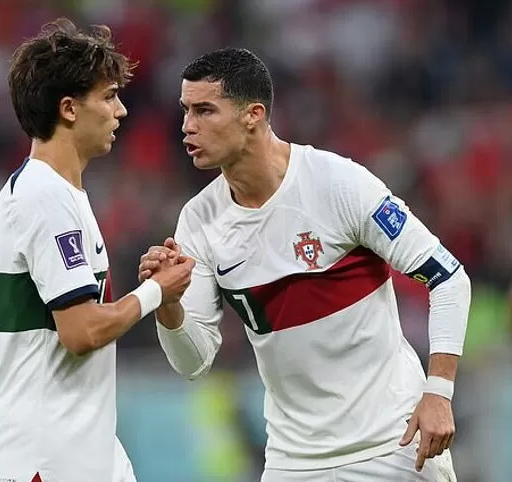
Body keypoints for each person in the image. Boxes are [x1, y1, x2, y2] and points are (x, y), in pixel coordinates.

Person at [139, 47, 471, 481]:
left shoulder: (337, 184)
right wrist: (168, 303)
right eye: (185, 111)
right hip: (295, 462)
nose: (187, 126)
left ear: (252, 115)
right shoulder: (198, 222)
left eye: (205, 110)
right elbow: (193, 362)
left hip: (392, 444)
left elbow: (448, 278)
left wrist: (439, 393)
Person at [0, 19, 194, 482]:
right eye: (110, 96)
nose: (122, 111)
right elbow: (81, 331)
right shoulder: (43, 198)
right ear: (70, 109)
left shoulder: (58, 193)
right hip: (40, 459)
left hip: (81, 450)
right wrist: (153, 292)